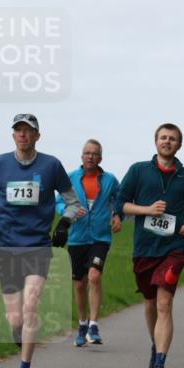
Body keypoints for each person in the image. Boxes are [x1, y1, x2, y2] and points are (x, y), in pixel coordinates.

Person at [0, 114, 80, 368]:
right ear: (13, 136)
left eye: (28, 131)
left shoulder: (51, 165)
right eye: (18, 130)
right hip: (7, 246)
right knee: (15, 317)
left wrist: (64, 224)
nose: (23, 135)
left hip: (37, 246)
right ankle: (18, 331)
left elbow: (73, 203)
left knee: (31, 305)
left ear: (37, 135)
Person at [117, 123, 184, 368]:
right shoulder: (138, 170)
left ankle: (160, 364)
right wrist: (147, 210)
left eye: (172, 138)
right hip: (144, 249)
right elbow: (121, 203)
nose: (167, 141)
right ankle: (156, 346)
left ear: (179, 145)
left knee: (165, 303)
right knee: (150, 303)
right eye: (163, 137)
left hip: (174, 248)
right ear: (156, 142)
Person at [54, 139, 123, 346]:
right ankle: (82, 324)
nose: (90, 156)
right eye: (87, 153)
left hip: (100, 237)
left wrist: (118, 215)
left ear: (100, 158)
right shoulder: (71, 178)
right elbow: (59, 202)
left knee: (94, 276)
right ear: (81, 156)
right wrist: (68, 213)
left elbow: (120, 200)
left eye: (94, 154)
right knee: (79, 284)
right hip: (77, 237)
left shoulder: (110, 180)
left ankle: (93, 325)